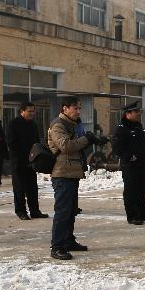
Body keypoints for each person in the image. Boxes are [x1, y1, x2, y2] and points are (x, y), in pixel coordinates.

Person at [48, 96, 101, 260]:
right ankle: (57, 246)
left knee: (71, 211)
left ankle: (68, 240)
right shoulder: (58, 125)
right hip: (62, 174)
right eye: (75, 108)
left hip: (72, 173)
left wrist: (94, 139)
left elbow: (79, 144)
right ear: (64, 109)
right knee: (63, 211)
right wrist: (86, 139)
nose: (78, 111)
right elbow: (66, 146)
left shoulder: (75, 125)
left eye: (79, 108)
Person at [111, 101, 145, 225]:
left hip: (140, 164)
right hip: (130, 165)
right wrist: (130, 157)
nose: (138, 114)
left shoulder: (137, 126)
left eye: (138, 111)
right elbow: (116, 147)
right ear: (128, 113)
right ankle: (132, 216)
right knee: (131, 191)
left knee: (141, 189)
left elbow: (143, 143)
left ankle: (142, 213)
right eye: (136, 112)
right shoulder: (121, 128)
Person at [7, 101, 47, 220]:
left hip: (32, 161)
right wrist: (20, 156)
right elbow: (11, 143)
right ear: (22, 111)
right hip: (18, 162)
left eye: (33, 111)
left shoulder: (33, 124)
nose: (32, 113)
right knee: (19, 188)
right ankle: (21, 211)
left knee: (32, 188)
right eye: (29, 111)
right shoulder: (14, 124)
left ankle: (35, 211)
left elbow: (36, 142)